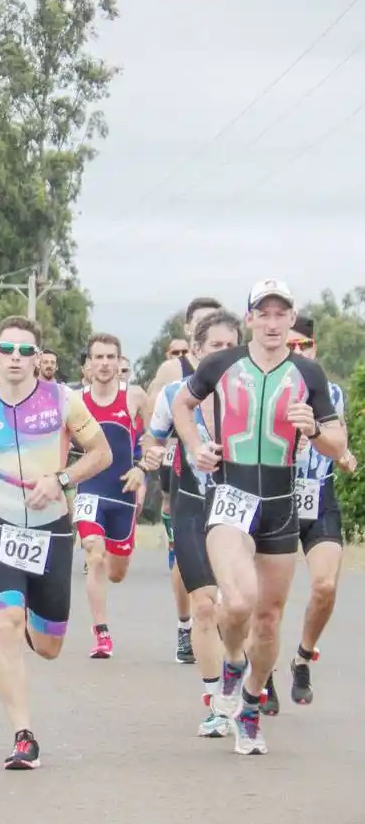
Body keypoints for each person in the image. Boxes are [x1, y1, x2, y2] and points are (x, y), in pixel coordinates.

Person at [172, 279, 346, 756]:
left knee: (268, 621)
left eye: (280, 314)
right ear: (250, 318)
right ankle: (231, 662)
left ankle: (249, 706)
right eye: (263, 314)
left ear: (291, 320)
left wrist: (314, 429)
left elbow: (338, 443)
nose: (271, 323)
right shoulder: (222, 364)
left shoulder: (308, 374)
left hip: (280, 504)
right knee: (239, 600)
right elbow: (181, 404)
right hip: (231, 495)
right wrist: (194, 445)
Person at [0, 315, 112, 770]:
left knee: (50, 645)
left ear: (38, 358)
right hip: (0, 526)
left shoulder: (63, 400)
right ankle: (23, 736)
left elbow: (101, 454)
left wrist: (61, 479)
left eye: (25, 351)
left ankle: (39, 625)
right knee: (6, 624)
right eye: (8, 350)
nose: (15, 359)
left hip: (52, 529)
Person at [149, 309, 242, 736]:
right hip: (191, 507)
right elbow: (153, 438)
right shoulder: (173, 394)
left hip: (241, 512)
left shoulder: (253, 394)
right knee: (205, 604)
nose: (224, 354)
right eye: (215, 347)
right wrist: (149, 454)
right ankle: (218, 703)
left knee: (241, 609)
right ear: (198, 351)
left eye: (231, 346)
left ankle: (243, 673)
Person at [262, 315, 357, 713]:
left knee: (325, 587)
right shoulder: (262, 388)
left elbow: (339, 442)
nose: (299, 353)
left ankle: (302, 657)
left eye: (306, 346)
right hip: (274, 500)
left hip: (318, 498)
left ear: (315, 349)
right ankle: (261, 671)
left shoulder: (331, 392)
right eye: (292, 346)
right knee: (269, 604)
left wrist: (340, 451)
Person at [145, 297, 223, 660]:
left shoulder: (237, 375)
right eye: (204, 325)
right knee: (184, 552)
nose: (213, 334)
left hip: (228, 476)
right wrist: (152, 450)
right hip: (180, 465)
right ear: (190, 332)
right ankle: (184, 624)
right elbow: (152, 419)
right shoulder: (171, 373)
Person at [74, 332, 147, 658]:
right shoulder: (76, 401)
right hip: (89, 489)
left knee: (116, 571)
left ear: (120, 363)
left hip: (123, 494)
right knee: (94, 553)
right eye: (98, 358)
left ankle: (113, 561)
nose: (104, 364)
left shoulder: (134, 397)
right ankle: (101, 633)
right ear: (88, 365)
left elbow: (153, 438)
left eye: (110, 358)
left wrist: (142, 468)